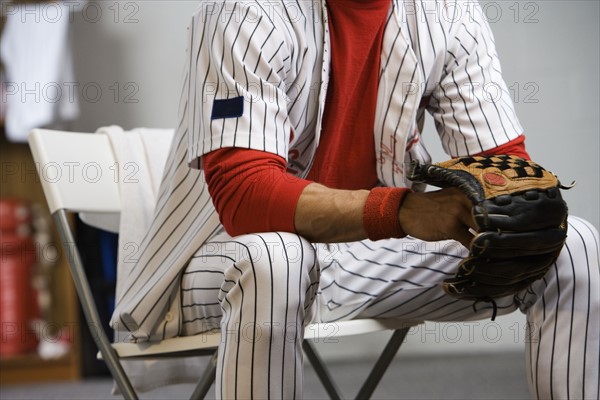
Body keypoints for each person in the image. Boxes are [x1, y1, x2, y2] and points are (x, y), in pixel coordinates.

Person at [111, 1, 600, 399]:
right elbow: (245, 196)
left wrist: (514, 200)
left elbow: (501, 166)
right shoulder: (247, 12)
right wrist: (406, 211)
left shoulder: (447, 13)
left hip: (363, 255)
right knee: (277, 256)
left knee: (571, 244)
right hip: (221, 262)